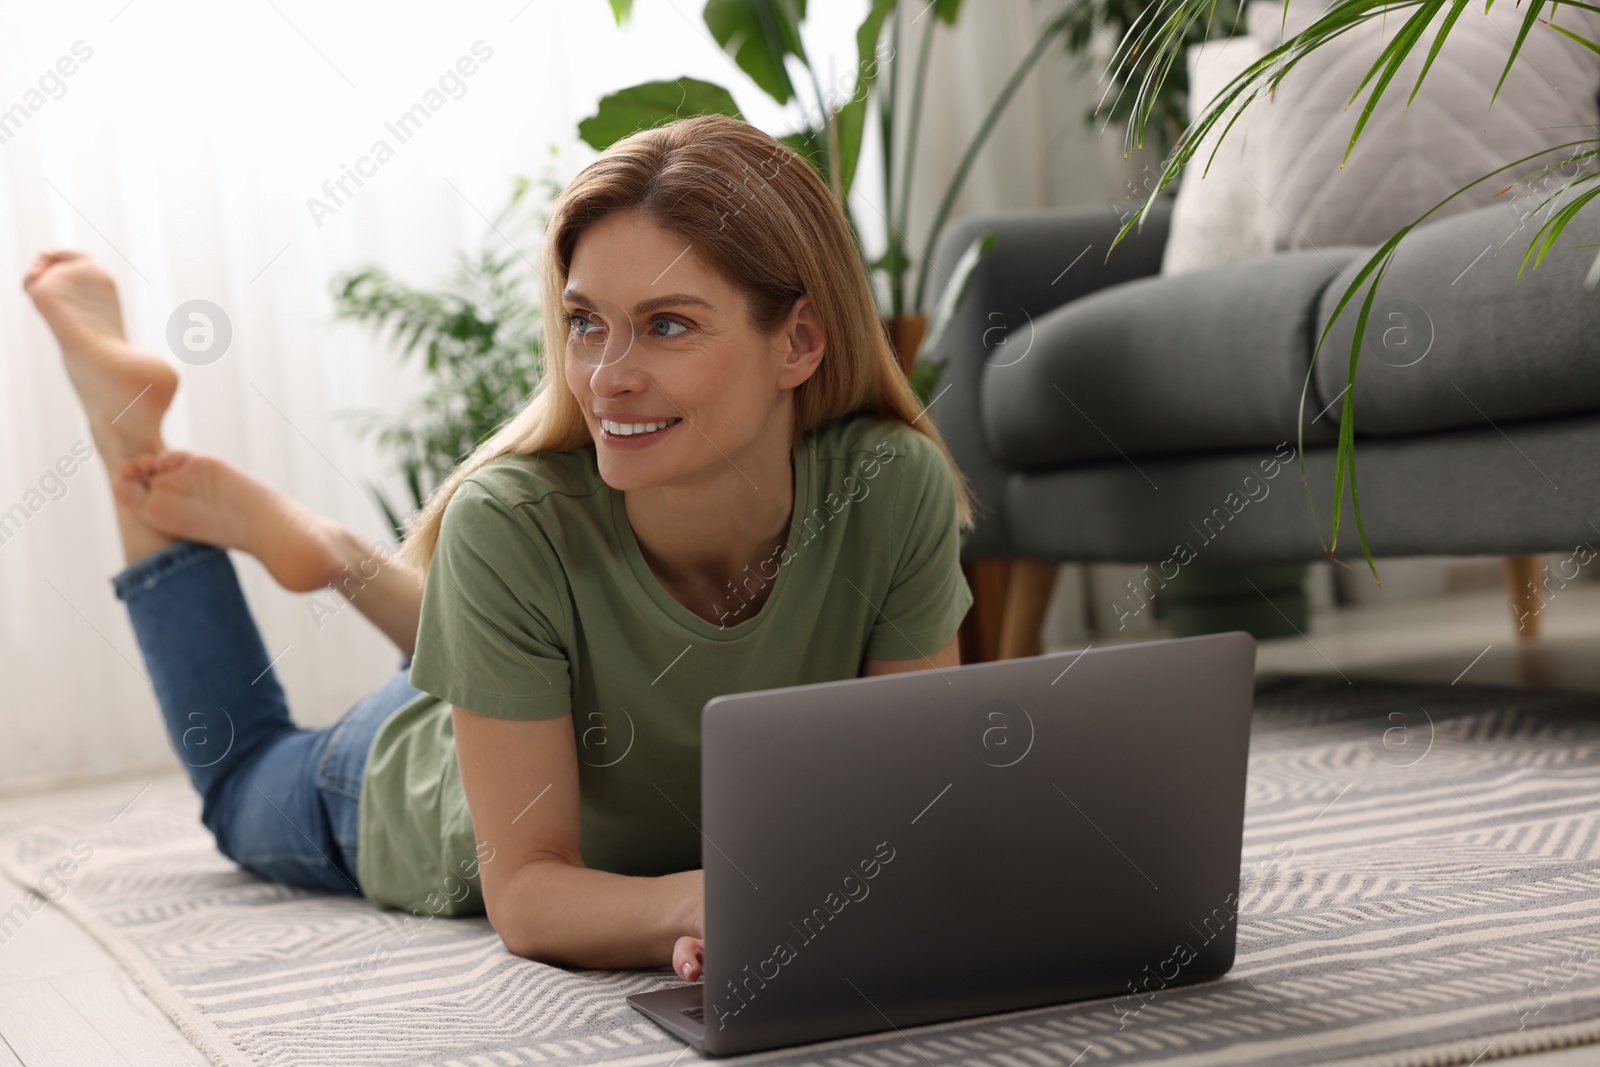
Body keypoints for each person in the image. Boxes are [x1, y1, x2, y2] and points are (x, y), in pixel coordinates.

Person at [23, 113, 973, 984]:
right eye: (584, 322)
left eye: (668, 324)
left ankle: (349, 557)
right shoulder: (509, 520)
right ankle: (127, 438)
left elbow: (909, 807)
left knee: (522, 597)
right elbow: (526, 892)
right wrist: (696, 899)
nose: (607, 378)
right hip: (423, 776)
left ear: (799, 339)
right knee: (238, 782)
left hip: (526, 663)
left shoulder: (890, 488)